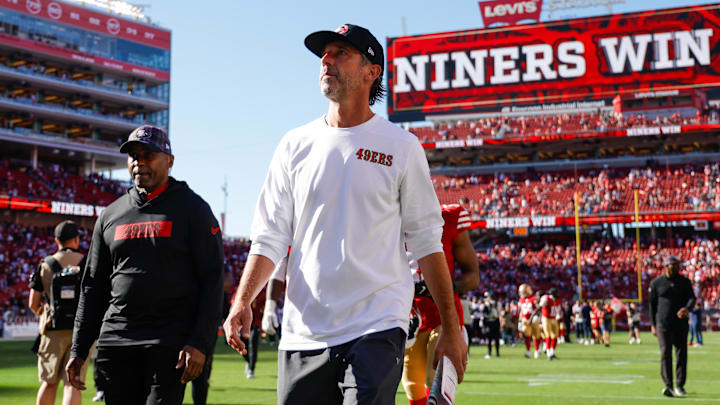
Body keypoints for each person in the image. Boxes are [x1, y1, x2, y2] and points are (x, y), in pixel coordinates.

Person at [222, 24, 467, 405]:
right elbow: (270, 236)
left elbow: (426, 242)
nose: (326, 59)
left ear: (372, 72)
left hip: (378, 324)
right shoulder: (294, 144)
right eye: (324, 53)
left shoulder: (402, 146)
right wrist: (242, 302)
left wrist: (452, 330)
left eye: (340, 52)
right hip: (303, 331)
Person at [65, 125, 225, 405]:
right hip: (116, 341)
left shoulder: (193, 209)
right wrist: (79, 347)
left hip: (169, 342)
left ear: (169, 160)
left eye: (148, 155)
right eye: (133, 156)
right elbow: (93, 285)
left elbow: (213, 280)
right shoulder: (110, 215)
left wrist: (200, 342)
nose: (139, 163)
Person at [402, 204, 479, 405]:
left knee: (435, 381)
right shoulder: (385, 217)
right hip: (405, 317)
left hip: (443, 317)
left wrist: (443, 286)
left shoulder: (449, 216)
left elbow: (472, 276)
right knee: (412, 387)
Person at [28, 220, 88, 405]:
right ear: (76, 240)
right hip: (81, 331)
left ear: (56, 240)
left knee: (49, 383)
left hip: (52, 329)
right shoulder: (87, 262)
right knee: (73, 384)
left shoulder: (45, 264)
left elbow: (33, 303)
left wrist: (46, 316)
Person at [650, 255, 696, 398]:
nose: (676, 268)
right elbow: (652, 305)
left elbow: (692, 298)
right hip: (663, 323)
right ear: (666, 266)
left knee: (681, 354)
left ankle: (680, 385)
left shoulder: (684, 281)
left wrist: (687, 308)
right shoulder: (656, 283)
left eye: (677, 265)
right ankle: (668, 385)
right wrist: (653, 324)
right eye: (673, 265)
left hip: (680, 324)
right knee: (665, 353)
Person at [533, 288, 560, 360]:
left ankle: (552, 352)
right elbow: (540, 307)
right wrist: (533, 316)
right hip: (546, 318)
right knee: (548, 335)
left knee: (555, 336)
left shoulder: (557, 300)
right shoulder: (546, 298)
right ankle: (548, 353)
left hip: (553, 318)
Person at [518, 284, 542, 359]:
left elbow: (538, 309)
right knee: (527, 335)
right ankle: (528, 351)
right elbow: (521, 311)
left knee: (536, 335)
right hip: (525, 320)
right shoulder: (521, 299)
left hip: (534, 319)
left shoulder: (533, 298)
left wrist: (538, 318)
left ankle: (537, 350)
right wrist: (520, 320)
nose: (521, 293)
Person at [482, 292, 501, 359]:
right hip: (495, 321)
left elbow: (484, 313)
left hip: (491, 322)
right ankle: (497, 354)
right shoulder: (497, 303)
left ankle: (490, 353)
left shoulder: (490, 304)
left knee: (490, 339)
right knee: (496, 338)